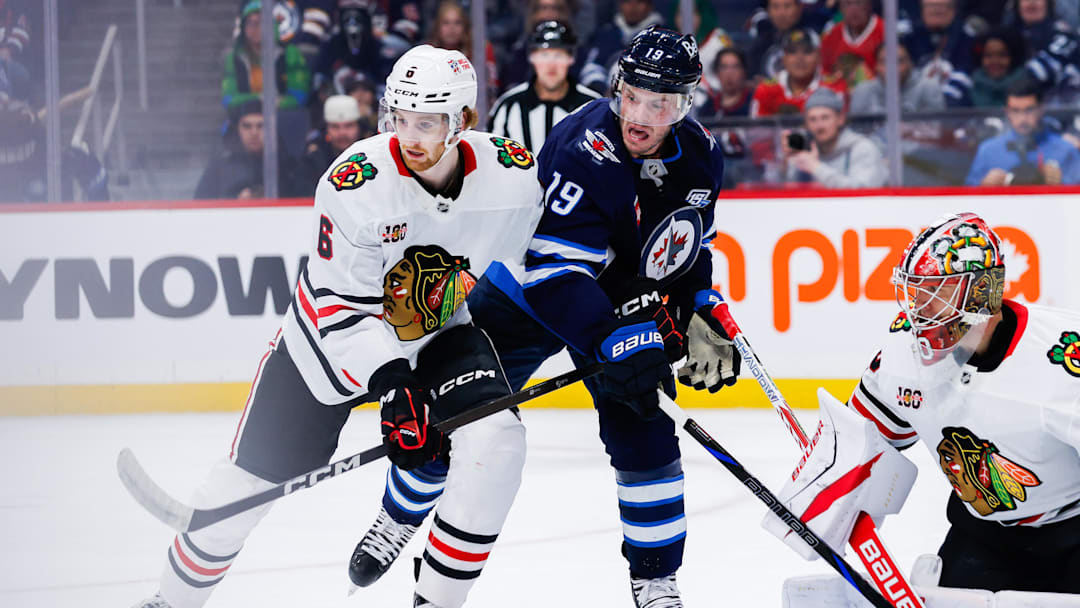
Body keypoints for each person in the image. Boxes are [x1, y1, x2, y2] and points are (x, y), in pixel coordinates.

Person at [133, 45, 545, 608]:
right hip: (328, 348)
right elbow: (340, 309)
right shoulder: (355, 183)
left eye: (426, 123)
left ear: (463, 122)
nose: (410, 137)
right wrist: (396, 388)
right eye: (401, 119)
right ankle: (167, 603)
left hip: (440, 333)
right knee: (242, 494)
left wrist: (617, 320)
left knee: (498, 442)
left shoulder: (512, 177)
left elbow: (554, 264)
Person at [350, 26, 742, 608]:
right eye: (631, 95)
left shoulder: (702, 157)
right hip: (525, 296)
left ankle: (656, 580)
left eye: (660, 104)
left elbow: (685, 249)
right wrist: (616, 337)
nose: (639, 115)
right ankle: (398, 516)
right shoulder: (580, 143)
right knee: (453, 416)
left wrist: (699, 305)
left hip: (615, 308)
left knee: (648, 433)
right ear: (615, 88)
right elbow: (555, 274)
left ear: (684, 105)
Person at [769, 212, 1080, 606]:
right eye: (917, 292)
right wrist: (827, 492)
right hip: (984, 533)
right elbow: (863, 441)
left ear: (984, 291)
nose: (921, 309)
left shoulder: (1064, 360)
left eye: (937, 292)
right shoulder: (903, 353)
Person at [488, 21, 600, 153]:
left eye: (558, 56)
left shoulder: (592, 107)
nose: (551, 65)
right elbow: (490, 156)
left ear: (571, 58)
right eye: (544, 55)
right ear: (532, 58)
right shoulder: (508, 105)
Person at [965, 78, 1080, 185]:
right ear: (1007, 112)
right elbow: (965, 199)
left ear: (1041, 109)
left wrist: (1063, 183)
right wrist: (983, 186)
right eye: (1015, 111)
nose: (1023, 118)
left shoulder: (1066, 150)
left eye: (1029, 110)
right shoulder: (988, 151)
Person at [783, 87, 888, 188]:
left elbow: (864, 193)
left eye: (825, 117)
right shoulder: (806, 149)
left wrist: (816, 167)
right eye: (812, 119)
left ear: (840, 119)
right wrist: (786, 162)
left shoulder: (863, 148)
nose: (819, 125)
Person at [223, 0, 312, 111]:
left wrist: (276, 104)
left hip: (283, 116)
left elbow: (300, 97)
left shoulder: (289, 54)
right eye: (250, 23)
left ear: (272, 25)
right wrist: (260, 100)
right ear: (243, 28)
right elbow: (229, 99)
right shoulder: (234, 58)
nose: (255, 28)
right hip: (247, 117)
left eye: (261, 22)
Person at [750, 28, 847, 117]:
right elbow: (756, 133)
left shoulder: (834, 88)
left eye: (807, 51)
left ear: (819, 57)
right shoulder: (766, 89)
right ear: (784, 58)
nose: (799, 59)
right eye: (792, 52)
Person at [578, 0, 666, 93]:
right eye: (627, 2)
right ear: (619, 5)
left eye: (639, 2)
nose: (632, 7)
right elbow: (592, 67)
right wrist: (603, 89)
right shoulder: (607, 33)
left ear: (650, 6)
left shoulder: (662, 37)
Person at [426, 1, 499, 101]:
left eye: (457, 23)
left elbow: (491, 90)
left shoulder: (482, 49)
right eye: (446, 23)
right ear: (437, 27)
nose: (452, 29)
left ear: (465, 26)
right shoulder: (427, 54)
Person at [850, 40, 945, 114]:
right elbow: (855, 131)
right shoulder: (863, 90)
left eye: (899, 61)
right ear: (876, 67)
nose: (892, 68)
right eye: (884, 62)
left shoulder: (928, 87)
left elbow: (935, 130)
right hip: (873, 139)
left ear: (910, 64)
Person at [900, 0, 976, 88]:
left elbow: (966, 71)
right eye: (931, 6)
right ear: (922, 9)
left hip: (953, 92)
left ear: (953, 10)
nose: (936, 10)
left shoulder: (965, 36)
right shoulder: (906, 36)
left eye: (942, 6)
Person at [746, 0, 831, 80]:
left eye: (787, 6)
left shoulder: (814, 36)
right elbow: (751, 77)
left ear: (799, 8)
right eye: (775, 7)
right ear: (768, 11)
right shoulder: (761, 40)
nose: (781, 13)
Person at [944, 29, 1028, 108]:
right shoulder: (966, 87)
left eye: (1002, 55)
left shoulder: (1027, 85)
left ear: (1013, 57)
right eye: (988, 55)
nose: (995, 61)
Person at [299, 95, 363, 191]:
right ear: (326, 129)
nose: (342, 133)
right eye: (335, 126)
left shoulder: (374, 154)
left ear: (359, 127)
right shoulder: (313, 158)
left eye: (349, 126)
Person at [820, 0, 884, 89]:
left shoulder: (885, 32)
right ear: (840, 8)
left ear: (870, 5)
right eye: (848, 3)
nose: (854, 9)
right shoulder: (831, 35)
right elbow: (824, 73)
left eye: (859, 2)